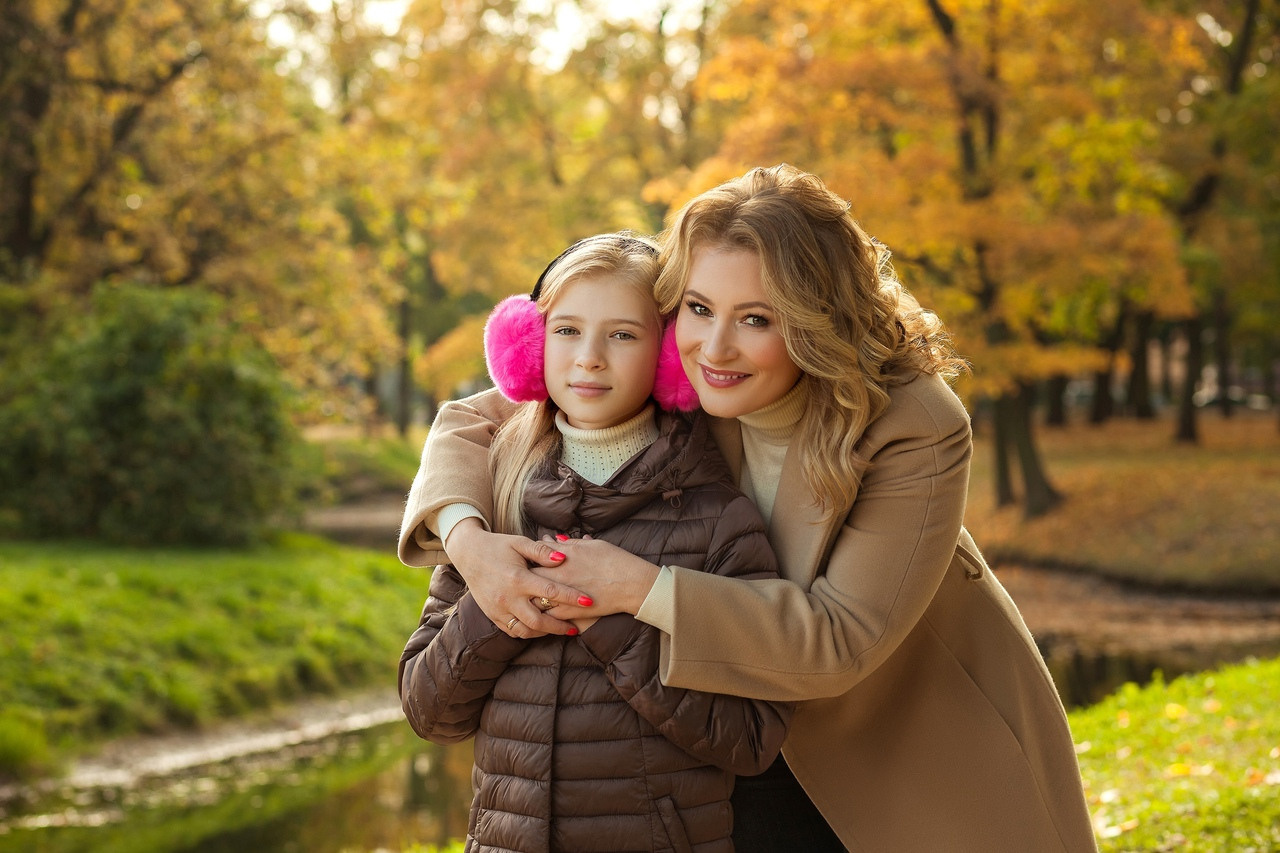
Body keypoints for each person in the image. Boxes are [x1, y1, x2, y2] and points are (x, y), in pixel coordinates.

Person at [398, 167, 1099, 852]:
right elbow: (477, 417)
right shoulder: (685, 369)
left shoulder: (912, 422)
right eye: (698, 310)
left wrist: (636, 586)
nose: (715, 346)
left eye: (756, 318)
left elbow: (838, 641)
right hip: (726, 737)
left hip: (887, 730)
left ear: (814, 322)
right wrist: (469, 543)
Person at [397, 232, 794, 853]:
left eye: (623, 335)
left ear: (668, 359)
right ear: (529, 348)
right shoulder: (492, 502)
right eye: (566, 330)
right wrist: (499, 603)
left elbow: (750, 737)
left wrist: (611, 615)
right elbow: (428, 711)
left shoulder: (719, 517)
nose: (589, 358)